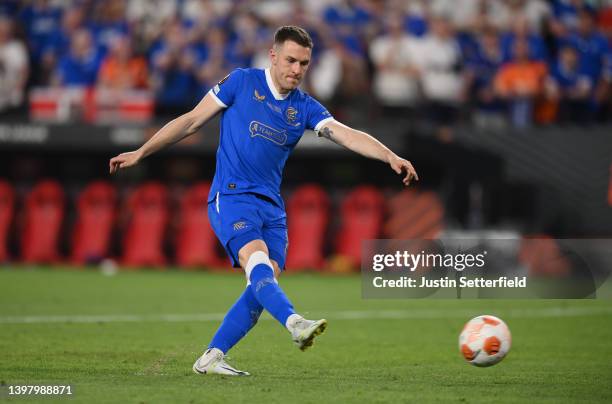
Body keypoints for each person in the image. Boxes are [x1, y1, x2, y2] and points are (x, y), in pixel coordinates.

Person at [109, 26, 418, 376]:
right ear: (273, 56)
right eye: (290, 60)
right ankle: (295, 322)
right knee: (256, 259)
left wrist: (389, 155)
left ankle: (211, 358)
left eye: (304, 63)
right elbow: (192, 120)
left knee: (263, 283)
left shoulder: (304, 107)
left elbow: (345, 134)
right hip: (233, 196)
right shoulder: (242, 82)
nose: (297, 69)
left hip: (272, 209)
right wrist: (141, 151)